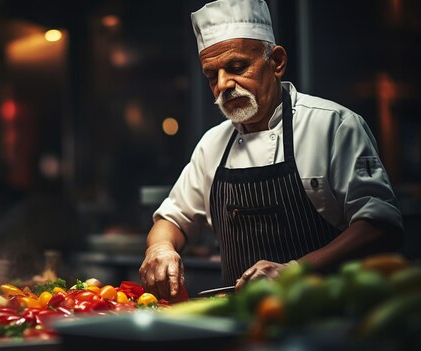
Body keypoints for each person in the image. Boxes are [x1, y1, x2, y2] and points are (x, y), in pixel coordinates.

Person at [138, 0, 404, 300]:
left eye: (237, 67)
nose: (224, 84)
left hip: (331, 317)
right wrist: (160, 248)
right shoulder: (212, 144)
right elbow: (172, 219)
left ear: (276, 62)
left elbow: (381, 225)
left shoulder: (334, 125)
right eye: (212, 75)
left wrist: (294, 271)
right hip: (241, 323)